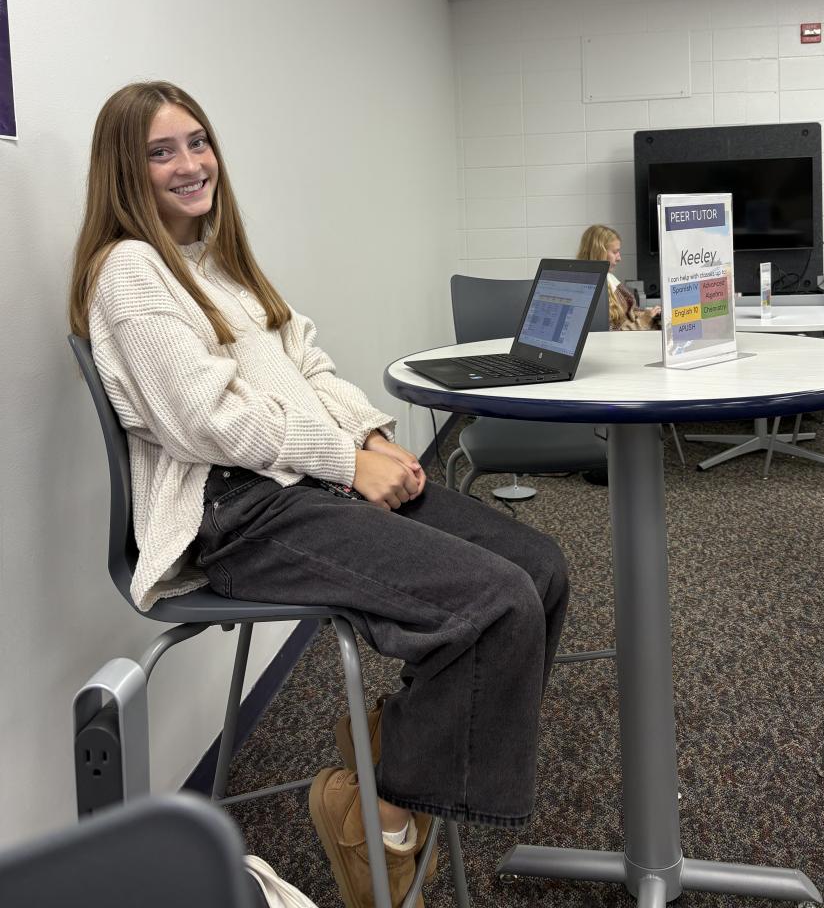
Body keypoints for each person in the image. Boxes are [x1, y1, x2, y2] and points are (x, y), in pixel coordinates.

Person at [69, 82, 569, 908]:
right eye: (161, 152)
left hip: (307, 480)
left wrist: (368, 437)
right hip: (237, 513)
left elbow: (308, 365)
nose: (190, 164)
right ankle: (381, 813)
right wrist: (344, 460)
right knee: (495, 601)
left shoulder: (218, 260)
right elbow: (206, 424)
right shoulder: (130, 272)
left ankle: (393, 755)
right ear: (126, 168)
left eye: (198, 141)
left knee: (539, 567)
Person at [575, 224, 661, 332]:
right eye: (615, 252)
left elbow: (630, 312)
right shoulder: (589, 291)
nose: (619, 258)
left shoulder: (608, 278)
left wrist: (649, 314)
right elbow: (610, 334)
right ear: (599, 253)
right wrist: (644, 321)